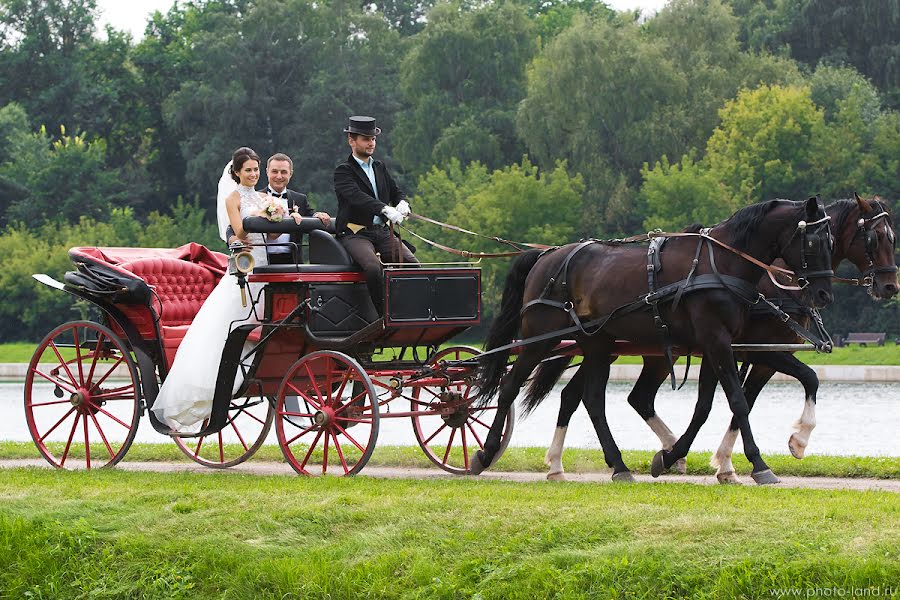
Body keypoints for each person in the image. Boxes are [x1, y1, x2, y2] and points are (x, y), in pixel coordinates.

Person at [153, 147, 276, 432]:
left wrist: (274, 217)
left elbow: (271, 235)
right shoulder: (233, 199)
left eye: (256, 170)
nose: (253, 174)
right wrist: (259, 216)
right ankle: (210, 384)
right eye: (248, 170)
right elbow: (240, 231)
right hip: (245, 264)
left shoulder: (264, 198)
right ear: (236, 173)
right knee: (232, 320)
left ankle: (260, 364)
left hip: (265, 263)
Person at [333, 115, 417, 313]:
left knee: (412, 265)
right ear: (351, 141)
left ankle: (411, 310)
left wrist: (402, 202)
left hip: (381, 231)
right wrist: (384, 208)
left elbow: (395, 190)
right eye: (365, 139)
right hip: (355, 233)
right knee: (372, 267)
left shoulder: (379, 167)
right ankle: (384, 315)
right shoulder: (343, 171)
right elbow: (357, 197)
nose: (371, 143)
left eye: (373, 139)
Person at [250, 153, 331, 264]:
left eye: (284, 172)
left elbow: (311, 216)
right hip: (262, 259)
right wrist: (232, 239)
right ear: (267, 172)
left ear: (290, 174)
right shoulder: (255, 197)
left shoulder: (300, 199)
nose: (279, 176)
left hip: (293, 261)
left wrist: (318, 215)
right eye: (274, 171)